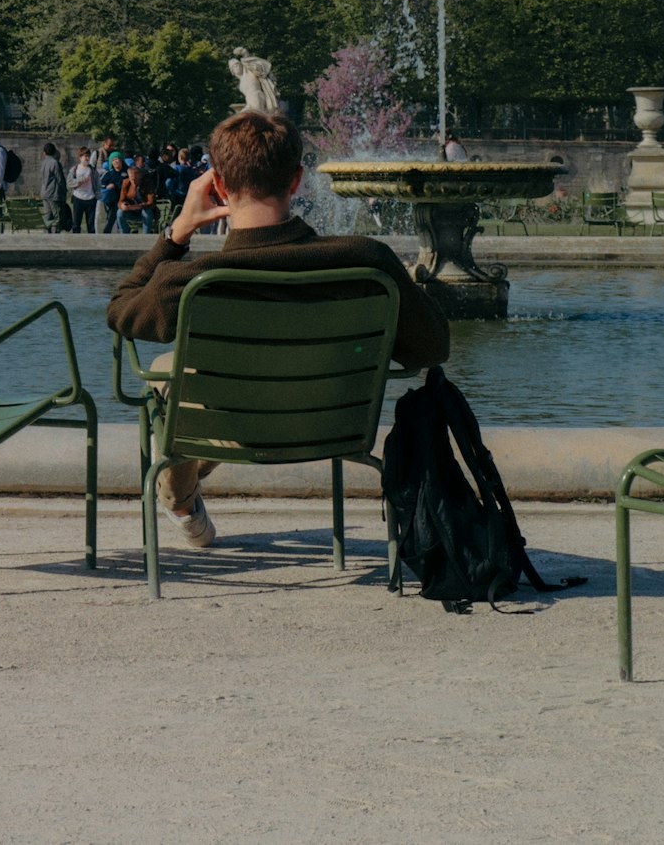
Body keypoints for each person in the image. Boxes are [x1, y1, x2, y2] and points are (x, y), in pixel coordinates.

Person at [106, 110, 449, 548]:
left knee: (166, 370)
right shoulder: (368, 261)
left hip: (231, 426)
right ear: (297, 181)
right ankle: (182, 500)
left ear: (220, 187)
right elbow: (433, 347)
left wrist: (177, 233)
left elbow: (120, 309)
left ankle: (179, 502)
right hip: (332, 428)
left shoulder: (189, 281)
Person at [39, 142, 67, 233]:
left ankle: (46, 235)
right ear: (55, 152)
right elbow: (60, 179)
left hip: (44, 193)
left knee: (47, 216)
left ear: (44, 152)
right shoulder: (55, 163)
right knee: (56, 218)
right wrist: (64, 191)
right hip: (54, 194)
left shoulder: (43, 163)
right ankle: (55, 237)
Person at [69, 147, 98, 234]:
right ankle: (76, 244)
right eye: (85, 156)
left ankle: (92, 245)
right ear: (80, 157)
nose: (87, 158)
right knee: (76, 224)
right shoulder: (74, 169)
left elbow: (98, 183)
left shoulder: (93, 170)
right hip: (78, 198)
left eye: (88, 156)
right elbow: (69, 183)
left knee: (91, 225)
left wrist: (98, 196)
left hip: (91, 199)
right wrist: (79, 180)